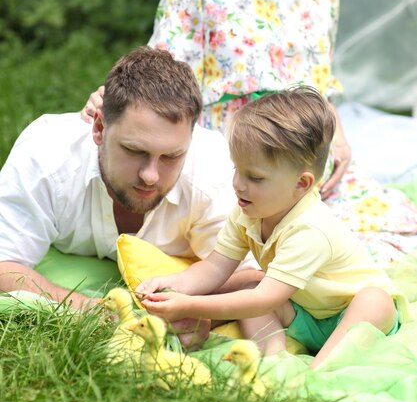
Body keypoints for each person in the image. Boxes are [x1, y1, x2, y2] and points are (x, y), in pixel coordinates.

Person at [81, 0, 417, 268]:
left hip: (301, 157)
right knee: (273, 255)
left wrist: (339, 135)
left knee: (391, 230)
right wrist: (108, 99)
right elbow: (160, 73)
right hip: (232, 156)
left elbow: (317, 85)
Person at [137, 87, 407, 369]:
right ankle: (275, 360)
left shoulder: (310, 229)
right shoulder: (248, 211)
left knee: (374, 300)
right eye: (237, 170)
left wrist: (190, 306)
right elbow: (215, 267)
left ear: (301, 184)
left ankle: (320, 369)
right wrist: (175, 285)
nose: (238, 184)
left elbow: (266, 299)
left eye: (254, 177)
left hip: (354, 317)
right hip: (304, 314)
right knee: (252, 281)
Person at [0, 46, 250, 332]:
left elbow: (253, 276)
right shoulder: (46, 154)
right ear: (99, 128)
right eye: (134, 150)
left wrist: (198, 313)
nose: (150, 176)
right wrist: (89, 310)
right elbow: (4, 261)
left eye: (171, 157)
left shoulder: (213, 170)